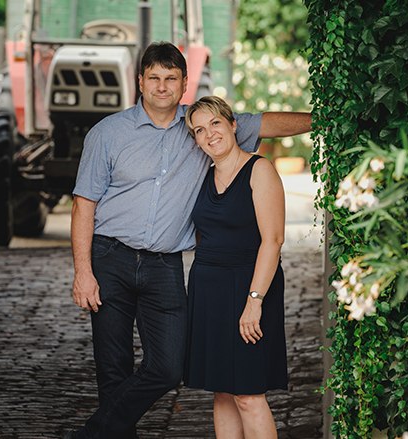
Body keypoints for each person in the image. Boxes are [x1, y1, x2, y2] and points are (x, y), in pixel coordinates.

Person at [67, 42, 310, 439]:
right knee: (113, 369)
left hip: (164, 264)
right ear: (140, 82)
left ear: (184, 84)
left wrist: (331, 118)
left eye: (172, 78)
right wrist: (83, 271)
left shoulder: (200, 124)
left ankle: (91, 434)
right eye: (154, 78)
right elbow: (83, 204)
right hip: (110, 256)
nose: (162, 87)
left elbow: (269, 123)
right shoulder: (108, 133)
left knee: (168, 366)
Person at [184, 96, 287, 438]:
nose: (209, 134)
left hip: (250, 287)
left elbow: (272, 241)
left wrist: (254, 300)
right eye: (199, 130)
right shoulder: (203, 177)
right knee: (223, 391)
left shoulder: (260, 170)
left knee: (247, 394)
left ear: (232, 125)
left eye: (215, 123)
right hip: (208, 290)